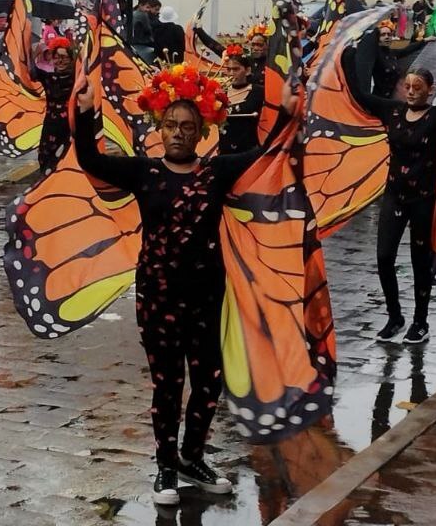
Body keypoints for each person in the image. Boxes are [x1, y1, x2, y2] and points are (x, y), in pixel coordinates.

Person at [71, 67, 292, 506]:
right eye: (170, 125)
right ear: (159, 128)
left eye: (187, 127)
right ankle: (166, 467)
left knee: (209, 383)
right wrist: (85, 113)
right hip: (158, 296)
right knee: (168, 384)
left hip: (208, 295)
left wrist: (286, 113)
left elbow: (269, 155)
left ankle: (193, 458)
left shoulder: (218, 172)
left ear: (202, 131)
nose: (178, 133)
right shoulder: (143, 173)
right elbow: (91, 160)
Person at [345, 30, 436, 345]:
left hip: (424, 199)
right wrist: (347, 56)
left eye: (418, 88)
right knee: (384, 256)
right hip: (395, 195)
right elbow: (360, 95)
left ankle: (421, 321)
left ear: (431, 89)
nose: (412, 92)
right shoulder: (393, 111)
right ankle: (395, 316)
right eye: (408, 86)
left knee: (419, 262)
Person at [32, 36, 77, 172]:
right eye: (57, 57)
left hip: (70, 126)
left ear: (71, 59)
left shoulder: (77, 78)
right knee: (45, 157)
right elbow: (29, 71)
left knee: (67, 159)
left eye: (64, 57)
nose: (60, 61)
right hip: (51, 125)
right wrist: (34, 54)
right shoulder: (48, 78)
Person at [221, 45, 263, 154]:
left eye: (236, 69)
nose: (231, 73)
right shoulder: (220, 93)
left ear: (248, 70)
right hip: (224, 153)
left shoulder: (258, 92)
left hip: (250, 154)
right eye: (228, 69)